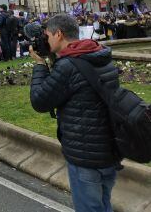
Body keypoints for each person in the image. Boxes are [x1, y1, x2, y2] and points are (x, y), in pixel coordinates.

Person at [29, 14, 120, 212]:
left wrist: (39, 64)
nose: (46, 40)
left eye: (47, 36)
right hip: (110, 151)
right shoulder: (100, 56)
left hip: (85, 157)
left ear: (58, 34)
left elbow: (40, 101)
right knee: (104, 206)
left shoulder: (68, 66)